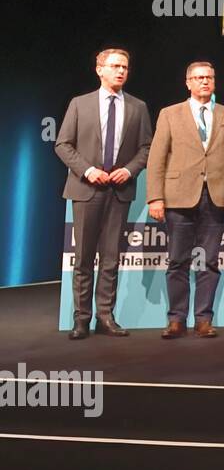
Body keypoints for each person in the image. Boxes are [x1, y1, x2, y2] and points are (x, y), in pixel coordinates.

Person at [55, 48, 153, 340]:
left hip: (118, 191)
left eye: (124, 66)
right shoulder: (79, 104)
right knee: (84, 258)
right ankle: (81, 319)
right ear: (99, 70)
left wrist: (130, 169)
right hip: (87, 190)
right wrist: (87, 170)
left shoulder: (138, 107)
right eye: (114, 66)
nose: (121, 71)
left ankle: (105, 317)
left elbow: (146, 148)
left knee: (111, 258)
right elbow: (62, 145)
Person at [145, 60, 224, 339]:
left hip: (216, 197)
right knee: (178, 261)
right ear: (188, 82)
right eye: (198, 77)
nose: (204, 81)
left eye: (209, 77)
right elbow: (157, 158)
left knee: (209, 262)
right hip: (178, 197)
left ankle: (204, 319)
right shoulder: (170, 114)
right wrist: (155, 197)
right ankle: (176, 319)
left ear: (214, 81)